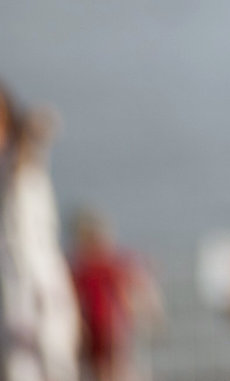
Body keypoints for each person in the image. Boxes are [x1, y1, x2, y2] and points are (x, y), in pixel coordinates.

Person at [0, 83, 81, 381]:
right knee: (20, 367)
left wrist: (25, 127)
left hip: (43, 279)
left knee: (56, 360)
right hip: (12, 289)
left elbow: (48, 122)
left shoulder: (26, 162)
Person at [67, 208, 163, 381]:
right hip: (93, 330)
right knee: (99, 370)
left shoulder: (113, 263)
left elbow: (139, 285)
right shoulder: (79, 269)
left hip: (112, 328)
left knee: (116, 367)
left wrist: (148, 313)